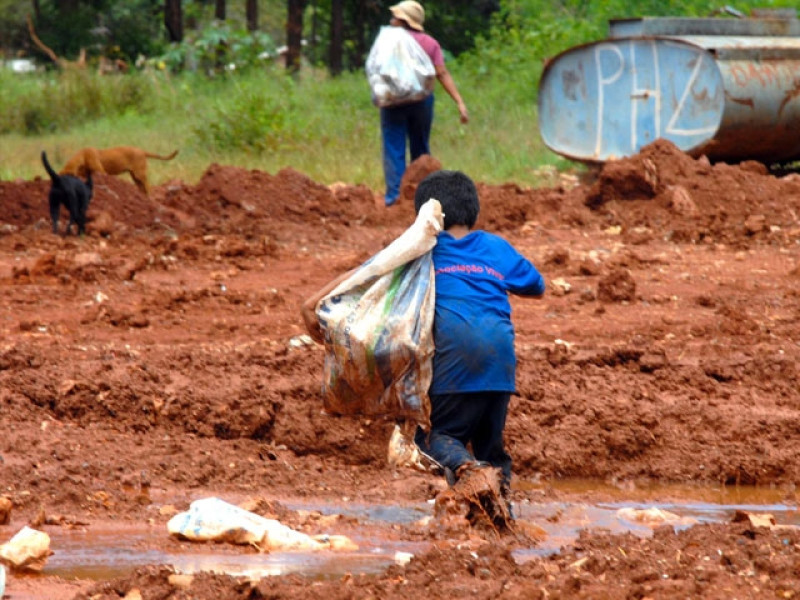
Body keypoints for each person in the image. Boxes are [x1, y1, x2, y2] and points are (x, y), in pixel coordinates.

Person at [410, 170, 545, 512]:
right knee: (491, 447)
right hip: (500, 365)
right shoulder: (494, 247)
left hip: (454, 362)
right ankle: (501, 513)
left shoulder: (422, 251)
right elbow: (535, 284)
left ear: (427, 216)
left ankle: (472, 472)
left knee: (434, 438)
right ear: (473, 211)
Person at [377, 1, 469, 207]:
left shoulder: (388, 42)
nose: (391, 20)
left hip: (392, 103)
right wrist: (459, 102)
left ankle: (395, 199)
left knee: (394, 148)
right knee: (420, 150)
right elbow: (441, 73)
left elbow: (377, 69)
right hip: (421, 103)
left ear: (403, 21)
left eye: (395, 17)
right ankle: (422, 199)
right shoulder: (429, 43)